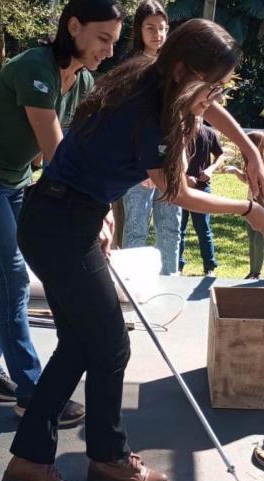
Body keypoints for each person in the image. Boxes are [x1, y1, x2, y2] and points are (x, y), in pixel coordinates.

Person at [2, 18, 264, 481]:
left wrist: (250, 151)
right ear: (183, 71)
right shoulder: (151, 114)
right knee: (110, 345)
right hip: (62, 227)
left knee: (80, 345)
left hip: (62, 216)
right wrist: (247, 209)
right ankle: (107, 457)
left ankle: (32, 459)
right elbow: (176, 192)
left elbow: (206, 106)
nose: (214, 96)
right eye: (211, 84)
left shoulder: (152, 73)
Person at [0, 0, 124, 421]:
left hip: (15, 181)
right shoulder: (36, 68)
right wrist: (91, 208)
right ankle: (33, 391)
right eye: (103, 39)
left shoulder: (83, 81)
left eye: (114, 42)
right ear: (74, 26)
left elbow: (83, 148)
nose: (109, 51)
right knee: (13, 276)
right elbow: (56, 153)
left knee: (3, 275)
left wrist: (104, 202)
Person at [118, 1, 181, 275]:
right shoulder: (132, 68)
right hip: (139, 163)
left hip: (170, 160)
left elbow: (182, 117)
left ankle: (171, 283)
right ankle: (131, 284)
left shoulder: (176, 68)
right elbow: (127, 120)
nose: (158, 34)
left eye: (163, 28)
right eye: (150, 28)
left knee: (170, 228)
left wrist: (179, 157)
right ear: (139, 30)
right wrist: (143, 164)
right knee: (136, 229)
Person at [224, 131, 264, 279]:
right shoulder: (251, 161)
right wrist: (235, 171)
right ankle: (252, 271)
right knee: (251, 239)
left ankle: (256, 272)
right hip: (251, 205)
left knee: (258, 240)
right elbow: (247, 179)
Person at [177, 122, 225, 276]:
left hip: (202, 188)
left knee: (203, 229)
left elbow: (220, 155)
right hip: (180, 188)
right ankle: (178, 265)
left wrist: (210, 169)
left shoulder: (209, 133)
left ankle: (209, 267)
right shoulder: (179, 131)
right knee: (178, 229)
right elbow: (167, 157)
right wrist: (184, 177)